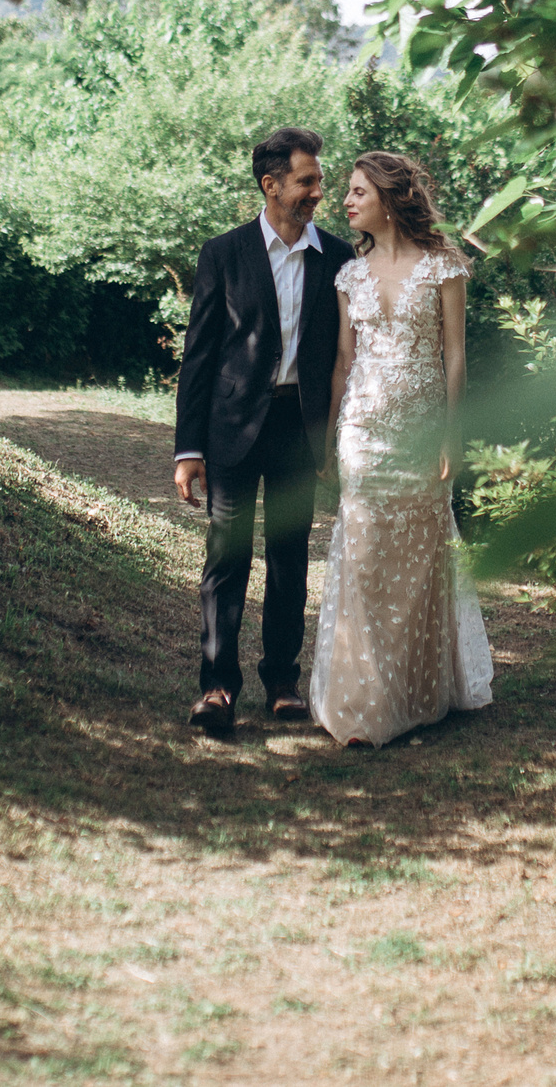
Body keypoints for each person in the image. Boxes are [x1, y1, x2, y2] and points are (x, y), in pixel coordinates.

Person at [313, 151, 494, 747]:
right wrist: (327, 437)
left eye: (358, 192)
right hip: (363, 434)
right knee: (362, 559)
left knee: (418, 562)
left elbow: (456, 357)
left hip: (421, 435)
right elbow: (343, 362)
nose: (346, 202)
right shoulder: (348, 275)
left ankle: (416, 693)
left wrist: (451, 433)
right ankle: (363, 705)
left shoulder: (444, 268)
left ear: (389, 199)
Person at [174, 127, 352, 733]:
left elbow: (341, 361)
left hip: (298, 428)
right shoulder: (223, 253)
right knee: (226, 556)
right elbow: (198, 356)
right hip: (230, 428)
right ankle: (218, 686)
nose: (317, 192)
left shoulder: (338, 259)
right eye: (307, 181)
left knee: (289, 556)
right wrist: (189, 449)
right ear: (270, 185)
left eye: (319, 181)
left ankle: (282, 680)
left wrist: (331, 437)